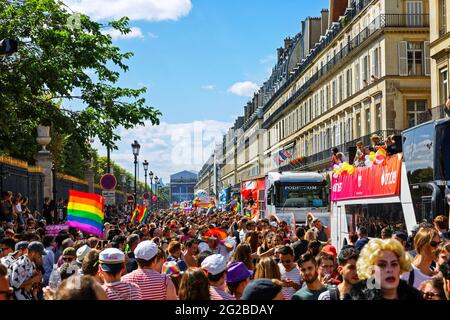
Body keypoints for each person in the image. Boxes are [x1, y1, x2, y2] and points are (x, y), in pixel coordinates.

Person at [350, 238, 422, 300]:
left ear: (400, 268)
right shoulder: (359, 297)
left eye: (394, 264)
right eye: (382, 265)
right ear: (371, 270)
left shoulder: (414, 296)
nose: (389, 269)